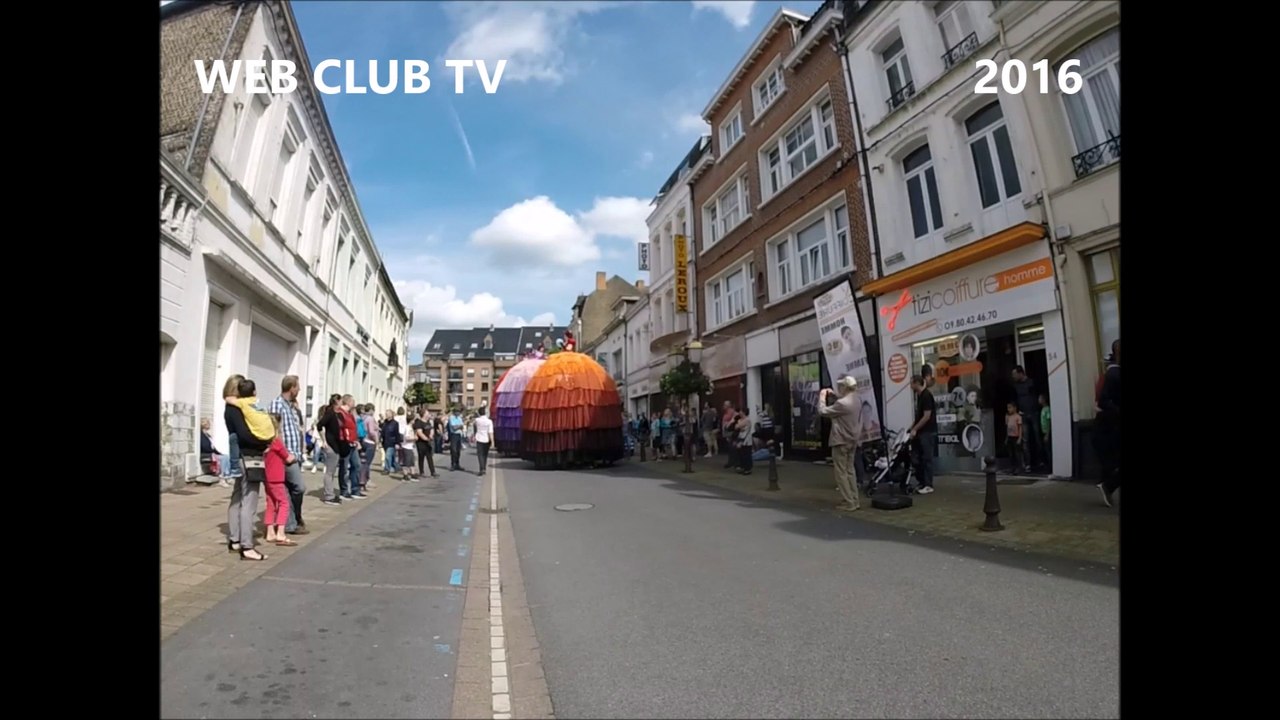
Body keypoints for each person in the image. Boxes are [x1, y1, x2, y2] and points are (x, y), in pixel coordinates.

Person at [225, 378, 270, 560]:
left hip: (239, 456)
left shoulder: (230, 408)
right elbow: (245, 435)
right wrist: (264, 441)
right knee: (249, 501)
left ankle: (235, 539)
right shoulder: (239, 409)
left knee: (237, 497)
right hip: (249, 456)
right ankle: (247, 546)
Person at [818, 377, 866, 511]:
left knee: (841, 473)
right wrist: (834, 394)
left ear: (845, 387)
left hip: (841, 440)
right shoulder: (857, 399)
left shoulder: (842, 403)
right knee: (850, 470)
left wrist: (822, 397)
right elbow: (844, 401)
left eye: (840, 386)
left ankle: (848, 501)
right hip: (853, 440)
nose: (839, 388)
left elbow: (822, 411)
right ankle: (855, 500)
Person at [268, 376, 309, 536]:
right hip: (285, 456)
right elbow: (275, 431)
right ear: (291, 388)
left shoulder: (291, 407)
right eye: (297, 387)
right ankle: (293, 520)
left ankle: (290, 522)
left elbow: (295, 429)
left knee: (290, 488)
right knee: (299, 487)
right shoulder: (277, 404)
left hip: (295, 455)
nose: (299, 390)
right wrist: (284, 454)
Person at [262, 414, 298, 547]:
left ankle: (270, 531)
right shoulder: (277, 442)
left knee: (271, 504)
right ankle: (281, 532)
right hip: (277, 477)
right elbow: (288, 458)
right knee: (284, 503)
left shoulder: (264, 442)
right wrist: (294, 457)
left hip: (267, 476)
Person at [1095, 339, 1121, 507]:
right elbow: (1103, 400)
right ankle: (1107, 485)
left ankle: (1107, 484)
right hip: (1111, 425)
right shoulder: (1113, 374)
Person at [908, 375, 937, 494]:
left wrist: (915, 429)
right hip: (922, 432)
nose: (910, 386)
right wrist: (911, 427)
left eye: (911, 383)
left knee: (926, 458)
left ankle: (928, 484)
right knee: (919, 458)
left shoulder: (926, 396)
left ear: (916, 383)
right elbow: (919, 416)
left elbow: (926, 416)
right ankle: (923, 482)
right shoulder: (920, 396)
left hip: (927, 432)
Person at [1011, 366, 1044, 471]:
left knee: (1037, 437)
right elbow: (1015, 399)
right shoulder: (1015, 386)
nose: (1013, 377)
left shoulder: (1032, 383)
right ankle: (1028, 463)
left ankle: (1041, 461)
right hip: (1023, 415)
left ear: (1021, 373)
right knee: (1025, 440)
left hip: (1034, 413)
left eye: (1015, 374)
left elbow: (1039, 395)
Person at [317, 395, 346, 506]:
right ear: (336, 402)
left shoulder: (338, 414)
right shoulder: (329, 413)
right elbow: (319, 425)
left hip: (338, 445)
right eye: (340, 401)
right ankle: (328, 495)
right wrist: (323, 440)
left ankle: (331, 493)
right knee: (329, 472)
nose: (341, 403)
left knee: (332, 471)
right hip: (331, 445)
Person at [396, 407, 418, 482]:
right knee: (406, 462)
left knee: (412, 461)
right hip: (406, 447)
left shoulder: (410, 427)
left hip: (410, 447)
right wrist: (414, 438)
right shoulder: (407, 428)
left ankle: (413, 474)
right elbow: (407, 438)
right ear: (411, 420)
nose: (414, 421)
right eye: (414, 420)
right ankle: (405, 475)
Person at [414, 409, 438, 478]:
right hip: (421, 442)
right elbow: (419, 432)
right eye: (427, 413)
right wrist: (426, 438)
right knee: (421, 457)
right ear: (424, 414)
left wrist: (431, 435)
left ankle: (433, 472)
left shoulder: (428, 422)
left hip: (428, 442)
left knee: (429, 457)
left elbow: (431, 429)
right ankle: (421, 471)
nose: (429, 414)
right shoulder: (419, 422)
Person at [473, 406, 494, 475]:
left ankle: (482, 468)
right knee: (485, 454)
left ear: (479, 413)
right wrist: (493, 442)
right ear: (485, 413)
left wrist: (474, 435)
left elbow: (474, 427)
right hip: (486, 439)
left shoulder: (477, 420)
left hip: (479, 438)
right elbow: (490, 432)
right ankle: (484, 468)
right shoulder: (489, 421)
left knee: (480, 455)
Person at [1004, 402, 1025, 473]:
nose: (1008, 409)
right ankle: (1012, 467)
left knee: (1017, 453)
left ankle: (1019, 467)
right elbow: (1007, 427)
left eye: (1010, 407)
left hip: (1016, 437)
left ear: (1014, 408)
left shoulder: (1018, 417)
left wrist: (1019, 438)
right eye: (1008, 408)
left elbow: (1020, 428)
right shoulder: (1008, 417)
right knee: (1011, 454)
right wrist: (1006, 438)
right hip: (1010, 436)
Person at [1039, 393, 1052, 470]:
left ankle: (1050, 465)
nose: (1039, 400)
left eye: (1040, 398)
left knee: (1048, 449)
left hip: (1047, 432)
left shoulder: (1047, 409)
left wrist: (1047, 434)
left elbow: (1049, 420)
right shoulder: (1042, 409)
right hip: (1043, 431)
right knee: (1045, 448)